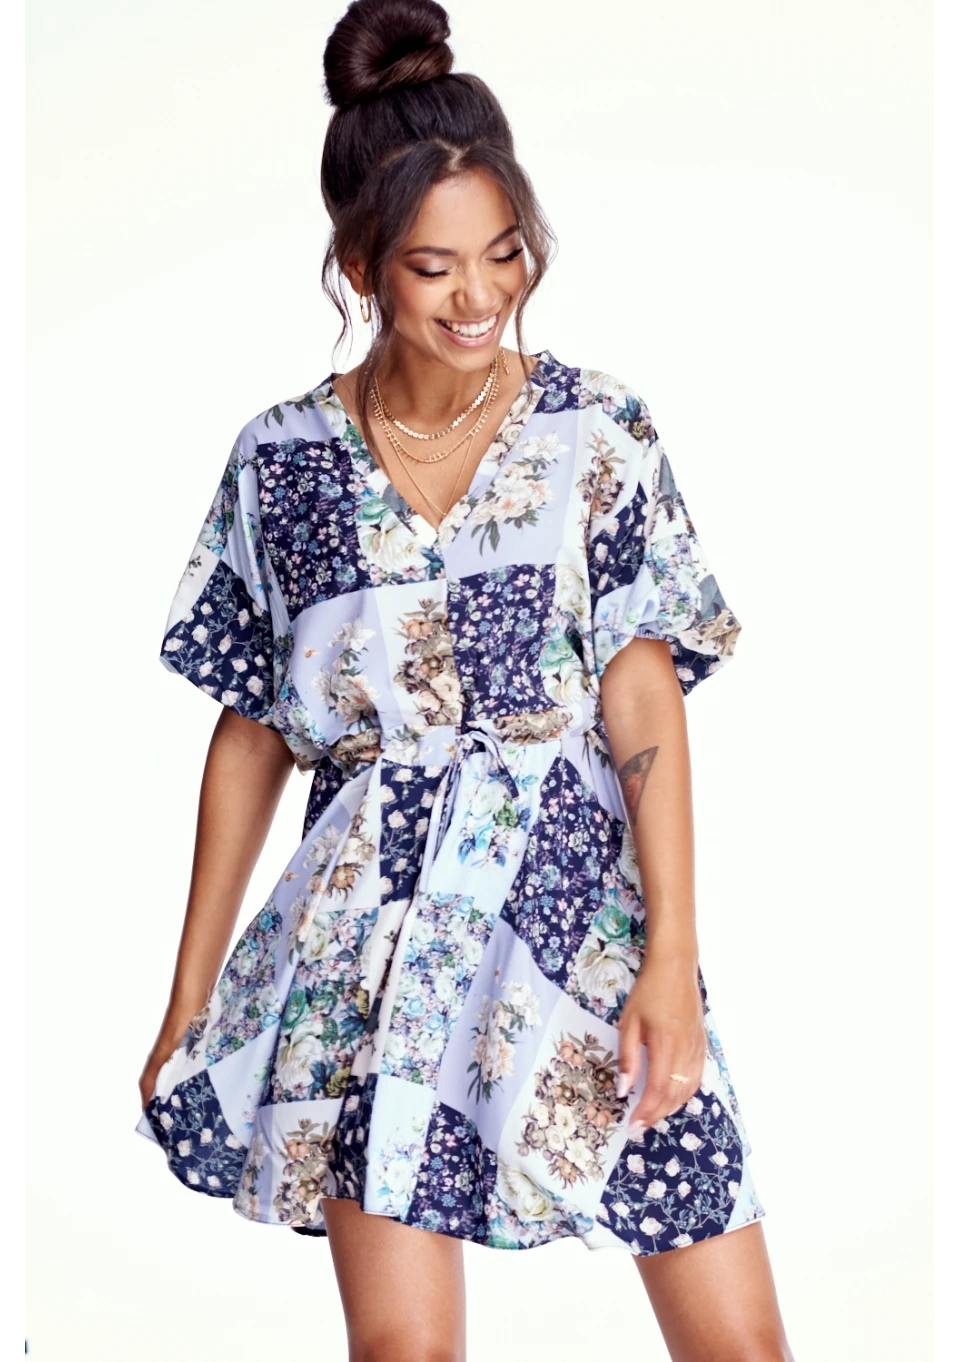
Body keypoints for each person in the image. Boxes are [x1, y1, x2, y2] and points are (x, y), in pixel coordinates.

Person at [136, 1, 793, 1358]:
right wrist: (187, 998)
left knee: (737, 1344)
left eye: (505, 254)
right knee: (406, 1353)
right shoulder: (285, 461)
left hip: (576, 921)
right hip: (369, 940)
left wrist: (672, 956)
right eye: (433, 267)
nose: (480, 295)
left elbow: (643, 696)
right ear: (361, 265)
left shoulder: (595, 430)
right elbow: (251, 734)